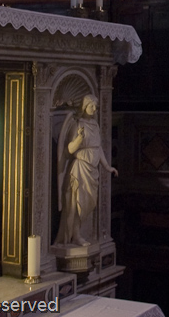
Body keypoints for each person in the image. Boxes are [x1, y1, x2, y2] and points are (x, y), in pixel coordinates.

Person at [56, 95, 118, 246]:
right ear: (84, 107)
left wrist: (107, 166)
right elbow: (69, 150)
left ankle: (79, 233)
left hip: (92, 171)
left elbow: (98, 148)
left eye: (96, 106)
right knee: (77, 204)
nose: (94, 109)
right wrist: (79, 138)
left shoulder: (95, 125)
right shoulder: (77, 124)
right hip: (79, 169)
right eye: (91, 106)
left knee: (88, 204)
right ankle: (76, 236)